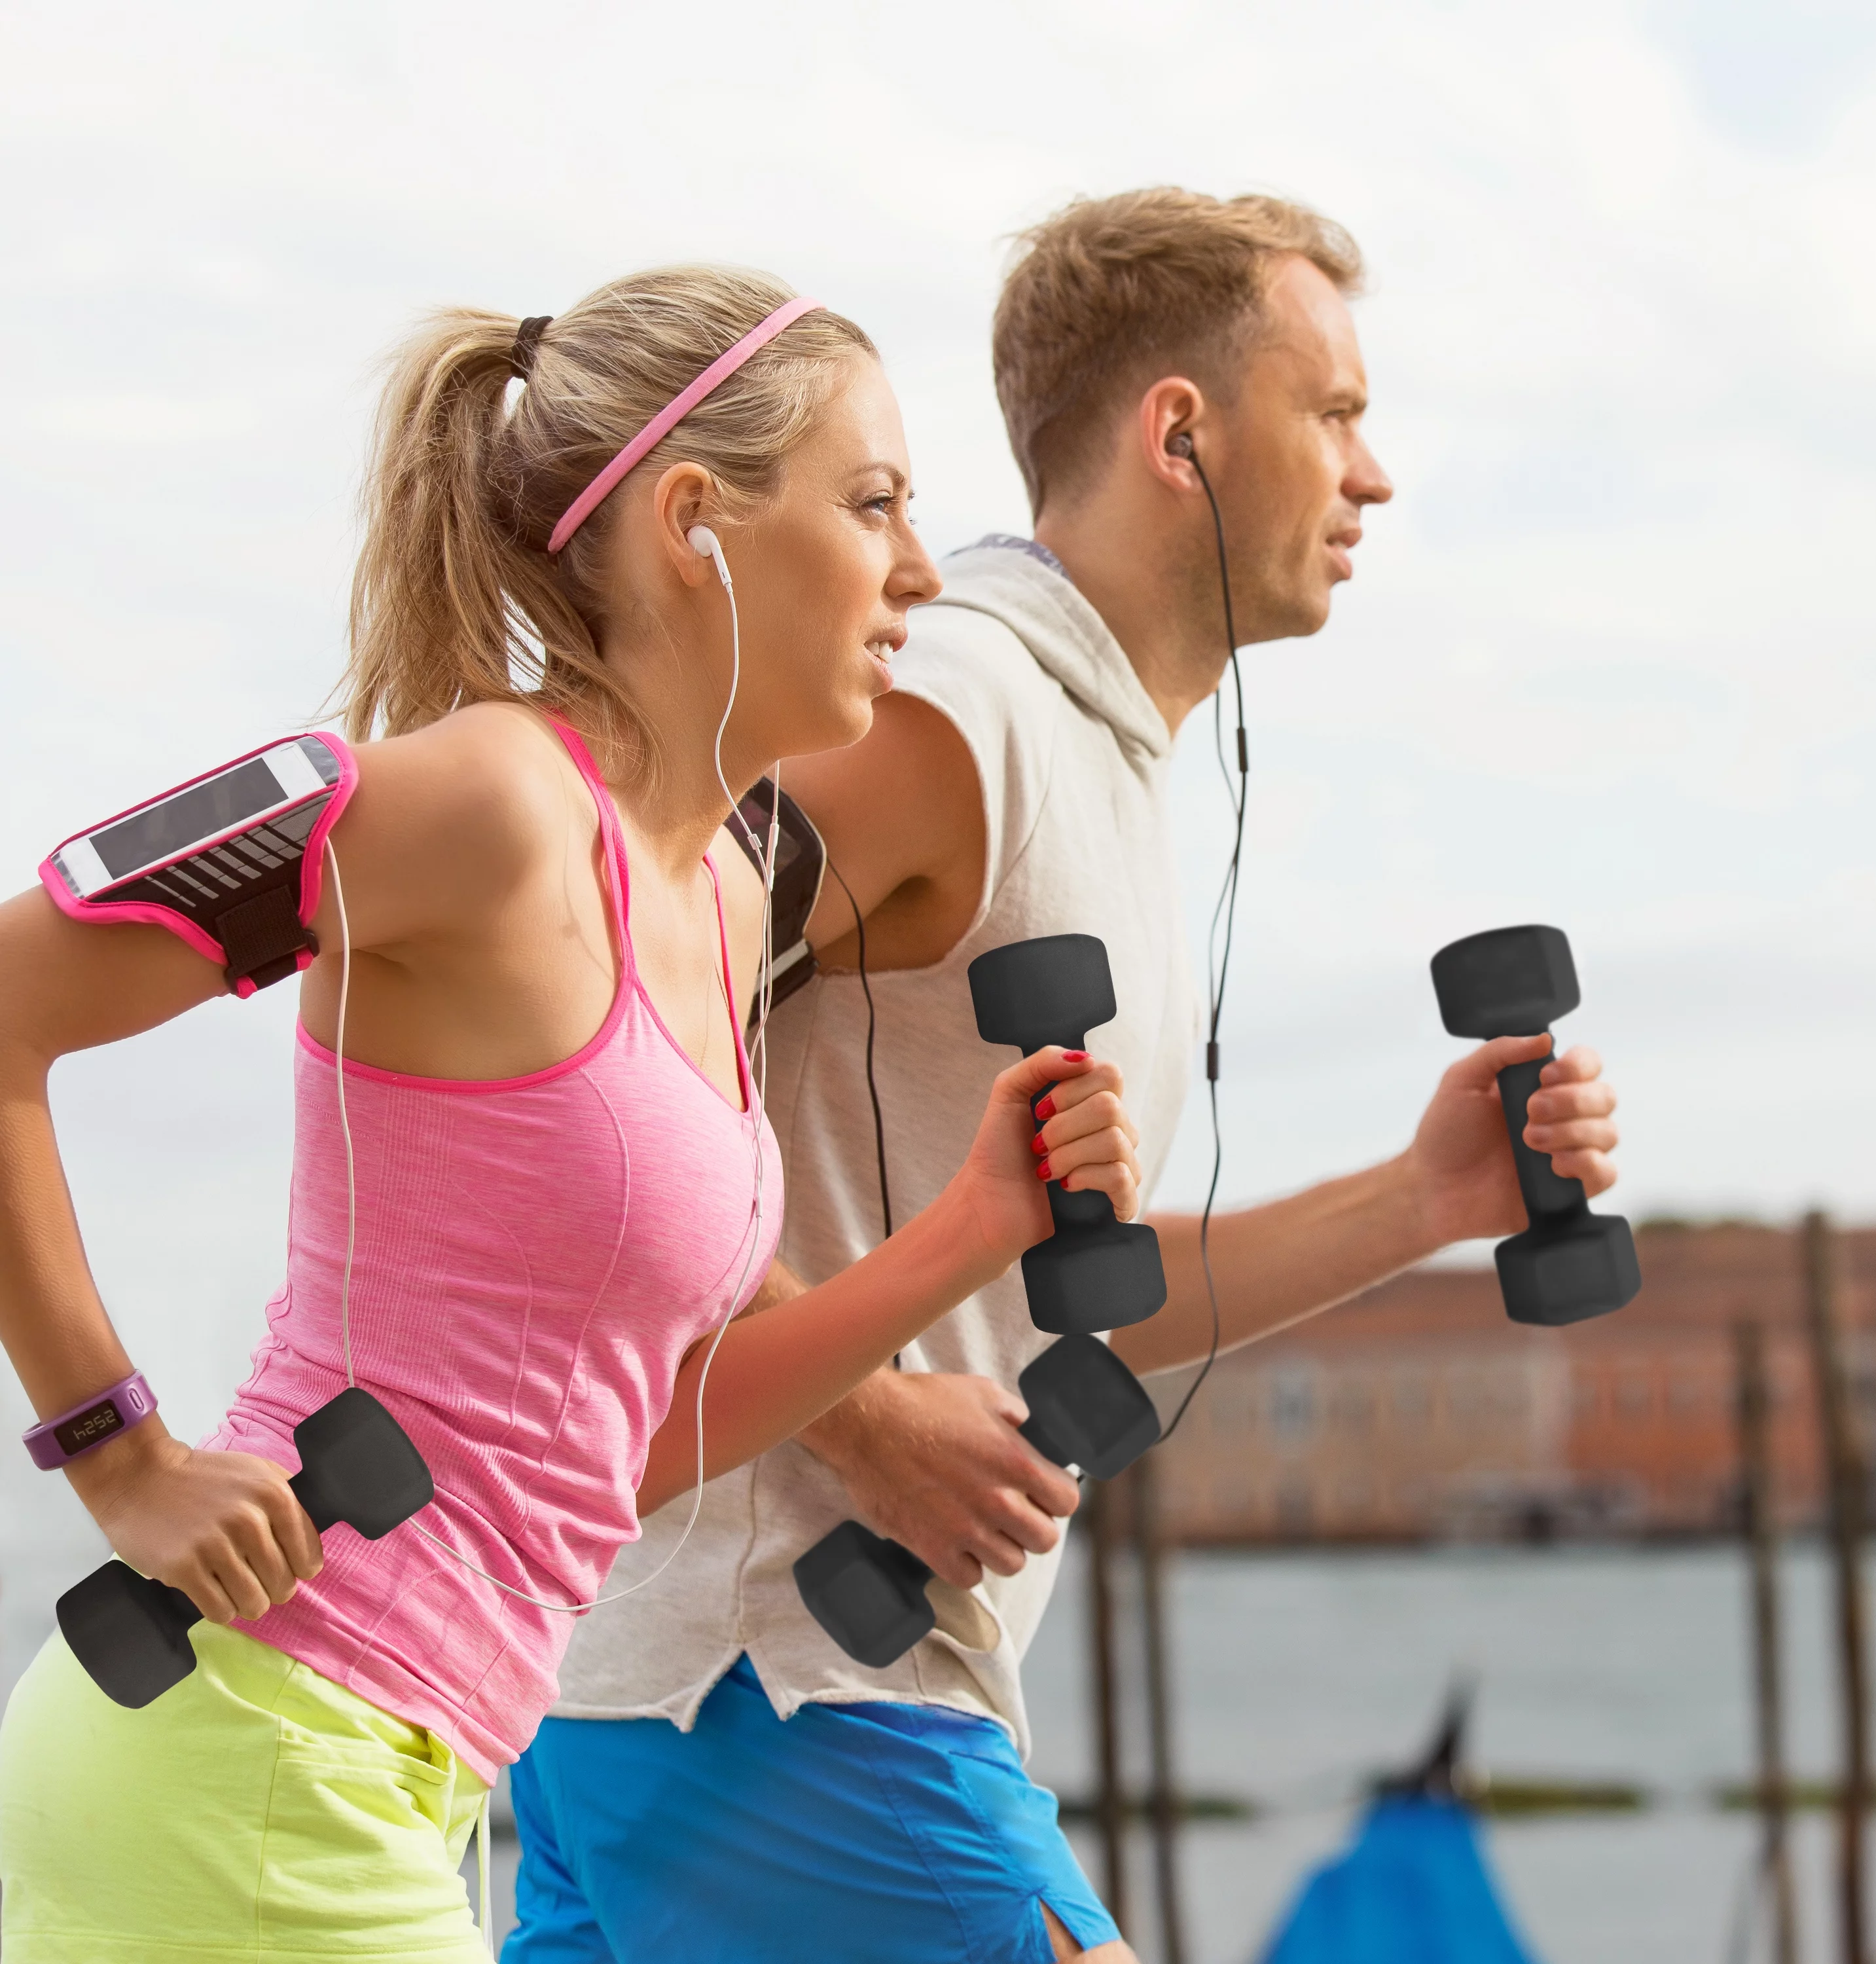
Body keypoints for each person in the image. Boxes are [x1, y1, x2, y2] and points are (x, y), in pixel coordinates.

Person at [507, 191, 1626, 1964]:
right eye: (1331, 412)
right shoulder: (957, 717)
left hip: (672, 1711)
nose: (1373, 472)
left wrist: (1427, 1202)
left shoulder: (1083, 758)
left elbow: (1049, 1300)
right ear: (1180, 429)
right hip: (784, 1695)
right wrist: (866, 1417)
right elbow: (575, 1034)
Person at [0, 266, 1147, 1962]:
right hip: (253, 1756)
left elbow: (611, 1446)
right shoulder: (488, 802)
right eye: (877, 503)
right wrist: (119, 1451)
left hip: (406, 1777)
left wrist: (968, 1234)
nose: (921, 570)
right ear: (698, 523)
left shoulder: (723, 902)